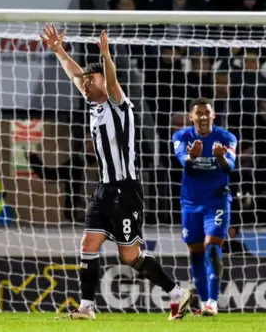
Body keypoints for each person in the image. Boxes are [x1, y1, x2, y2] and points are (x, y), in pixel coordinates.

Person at [41, 25, 193, 321]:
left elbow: (111, 83)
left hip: (127, 191)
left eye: (91, 79)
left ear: (105, 80)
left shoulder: (120, 107)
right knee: (88, 244)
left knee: (130, 256)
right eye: (85, 81)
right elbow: (74, 75)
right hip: (103, 189)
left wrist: (107, 56)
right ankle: (86, 307)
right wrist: (59, 50)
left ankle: (176, 292)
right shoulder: (94, 108)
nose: (85, 84)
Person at [172, 97, 237, 316]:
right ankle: (201, 305)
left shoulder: (227, 137)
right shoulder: (181, 136)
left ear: (213, 115)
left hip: (217, 201)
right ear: (191, 117)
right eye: (198, 114)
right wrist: (193, 155)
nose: (203, 117)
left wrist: (220, 158)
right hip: (190, 202)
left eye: (206, 113)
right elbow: (185, 164)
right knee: (196, 253)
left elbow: (230, 168)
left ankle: (212, 302)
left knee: (212, 248)